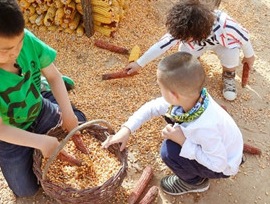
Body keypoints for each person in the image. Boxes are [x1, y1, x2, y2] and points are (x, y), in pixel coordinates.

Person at [0, 0, 88, 198]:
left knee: (78, 121)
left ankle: (43, 93)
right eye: (5, 51)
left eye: (18, 43)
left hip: (38, 109)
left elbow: (54, 75)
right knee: (25, 189)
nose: (16, 52)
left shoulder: (26, 39)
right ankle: (41, 100)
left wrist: (67, 113)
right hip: (9, 133)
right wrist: (40, 142)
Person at [103, 52, 244, 195]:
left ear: (173, 96)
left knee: (169, 152)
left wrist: (183, 142)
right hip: (222, 148)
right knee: (171, 125)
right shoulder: (195, 97)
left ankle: (195, 182)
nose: (159, 90)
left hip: (224, 165)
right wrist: (126, 129)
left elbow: (218, 165)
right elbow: (151, 107)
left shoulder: (204, 128)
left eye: (160, 87)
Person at [126, 0, 255, 101]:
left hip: (222, 44)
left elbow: (244, 37)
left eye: (185, 37)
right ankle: (191, 68)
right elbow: (162, 45)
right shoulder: (183, 28)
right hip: (197, 44)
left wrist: (249, 55)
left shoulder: (226, 25)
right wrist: (139, 63)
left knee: (231, 53)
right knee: (183, 54)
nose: (182, 38)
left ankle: (228, 76)